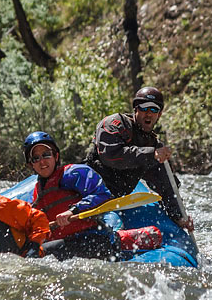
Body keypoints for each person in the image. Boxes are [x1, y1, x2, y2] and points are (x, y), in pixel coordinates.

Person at [83, 86, 194, 231]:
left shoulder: (153, 144)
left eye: (153, 110)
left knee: (161, 167)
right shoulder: (115, 124)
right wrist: (150, 154)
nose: (148, 114)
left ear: (159, 115)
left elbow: (166, 184)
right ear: (136, 109)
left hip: (117, 198)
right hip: (91, 191)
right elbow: (111, 156)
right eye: (144, 109)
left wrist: (179, 216)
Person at [23, 131, 120, 260]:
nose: (42, 161)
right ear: (31, 164)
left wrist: (72, 211)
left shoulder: (73, 173)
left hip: (92, 238)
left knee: (37, 256)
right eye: (36, 158)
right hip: (66, 243)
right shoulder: (36, 194)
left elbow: (102, 195)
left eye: (46, 155)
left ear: (56, 156)